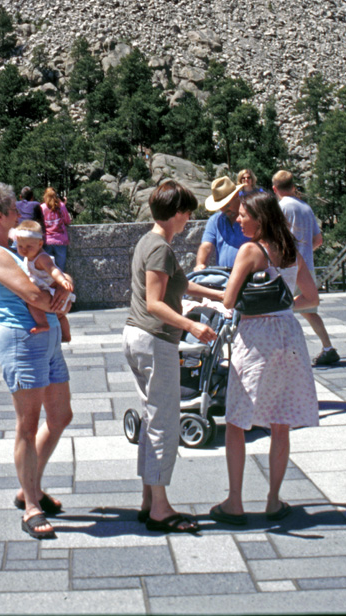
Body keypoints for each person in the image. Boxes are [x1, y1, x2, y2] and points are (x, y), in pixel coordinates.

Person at [123, 180, 227, 534]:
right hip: (154, 340)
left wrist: (220, 293)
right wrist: (191, 326)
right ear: (176, 213)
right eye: (187, 213)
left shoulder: (151, 242)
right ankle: (161, 510)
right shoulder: (160, 249)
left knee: (153, 418)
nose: (189, 219)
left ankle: (150, 500)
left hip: (141, 338)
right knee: (164, 422)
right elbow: (155, 302)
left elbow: (180, 286)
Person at [211, 190, 320, 526]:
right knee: (281, 421)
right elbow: (311, 298)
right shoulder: (289, 250)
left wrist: (194, 290)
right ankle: (273, 500)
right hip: (288, 335)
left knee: (236, 420)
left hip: (256, 338)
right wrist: (283, 306)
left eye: (243, 214)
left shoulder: (249, 250)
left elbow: (229, 301)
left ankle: (235, 502)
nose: (238, 219)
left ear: (259, 218)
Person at [0, 182, 73, 541]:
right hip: (22, 340)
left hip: (42, 339)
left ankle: (28, 486)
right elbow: (34, 293)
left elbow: (45, 288)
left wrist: (59, 293)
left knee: (61, 415)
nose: (20, 215)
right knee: (28, 425)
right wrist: (62, 297)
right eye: (14, 211)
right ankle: (31, 504)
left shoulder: (11, 250)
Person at [272, 169, 338, 366]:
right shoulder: (306, 208)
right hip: (306, 265)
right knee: (308, 308)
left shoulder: (280, 208)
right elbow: (318, 240)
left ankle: (286, 354)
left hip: (287, 266)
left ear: (275, 189)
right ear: (293, 187)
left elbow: (275, 238)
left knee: (279, 310)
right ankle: (328, 347)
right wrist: (304, 252)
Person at [13, 220, 74, 342]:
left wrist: (63, 281)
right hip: (52, 294)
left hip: (52, 292)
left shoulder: (42, 258)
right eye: (20, 246)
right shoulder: (30, 256)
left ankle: (42, 323)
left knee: (32, 301)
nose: (24, 250)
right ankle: (66, 336)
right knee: (60, 317)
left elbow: (53, 270)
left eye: (28, 246)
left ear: (40, 244)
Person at [194, 176, 248, 270]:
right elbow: (206, 245)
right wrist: (200, 264)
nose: (223, 210)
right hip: (224, 275)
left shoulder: (251, 217)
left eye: (227, 205)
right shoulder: (215, 220)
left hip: (249, 275)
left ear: (237, 196)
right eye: (221, 206)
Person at [41, 187, 71, 271]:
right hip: (61, 240)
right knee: (61, 269)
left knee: (48, 269)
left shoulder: (42, 207)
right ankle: (61, 284)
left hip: (47, 240)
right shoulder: (61, 206)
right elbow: (67, 221)